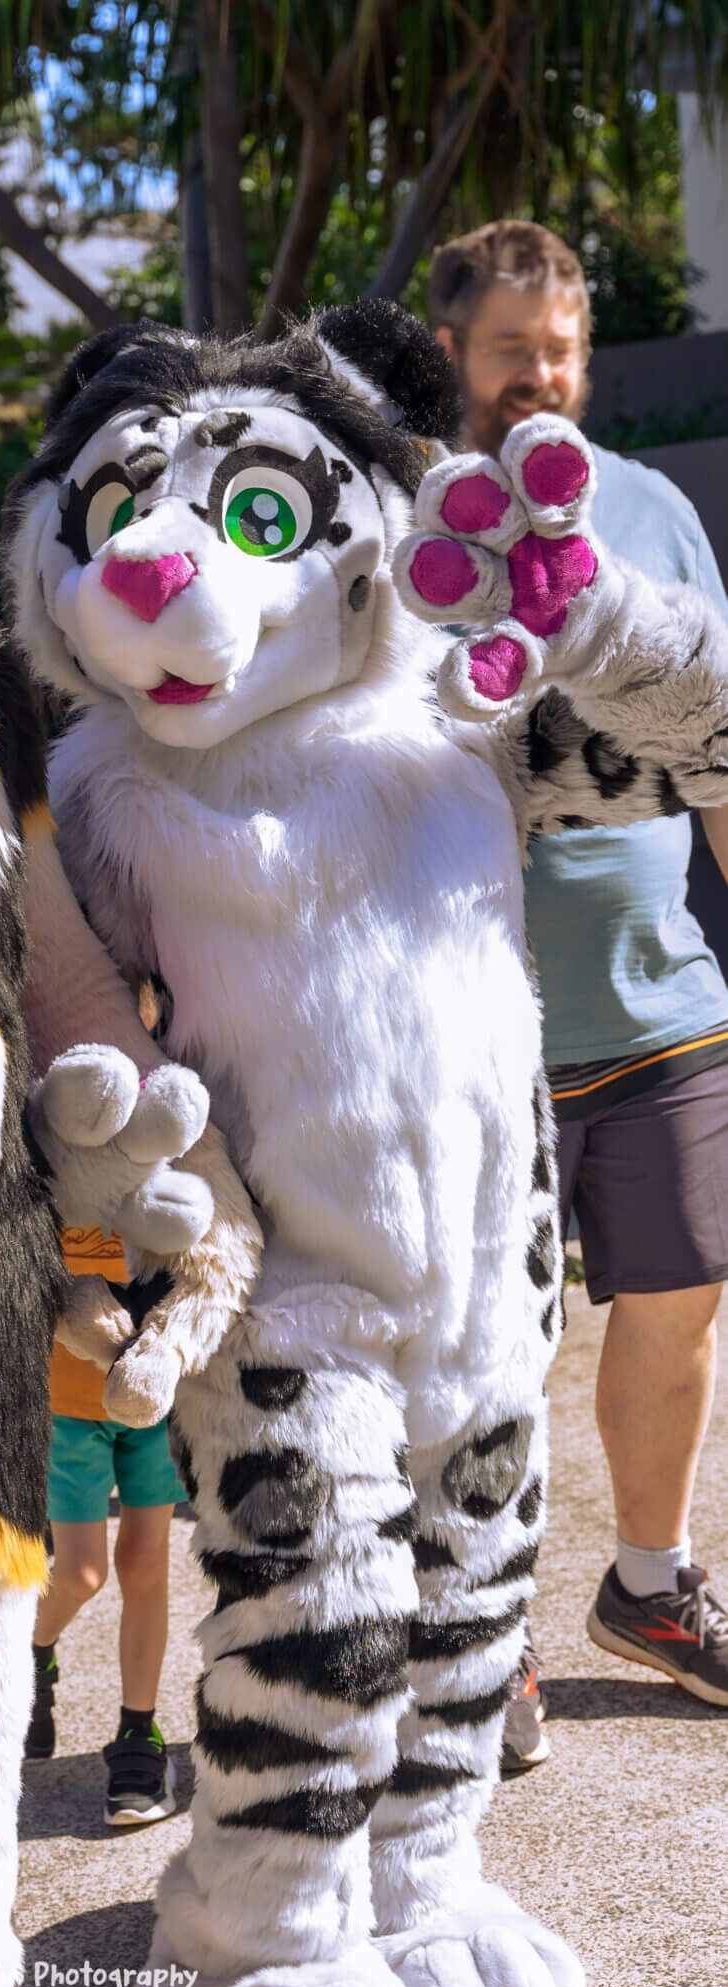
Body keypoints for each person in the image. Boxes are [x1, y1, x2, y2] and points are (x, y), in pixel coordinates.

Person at [430, 220, 728, 1758]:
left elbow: (718, 736)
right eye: (509, 351)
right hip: (473, 1020)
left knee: (679, 1299)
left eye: (559, 351)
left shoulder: (658, 514)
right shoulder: (408, 535)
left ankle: (649, 1585)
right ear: (451, 358)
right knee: (494, 1343)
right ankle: (493, 1626)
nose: (538, 377)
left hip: (659, 999)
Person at [26, 1222, 187, 1825]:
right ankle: (33, 1656)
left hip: (153, 1391)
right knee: (81, 1573)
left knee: (144, 1562)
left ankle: (138, 1738)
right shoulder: (46, 1137)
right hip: (67, 1403)